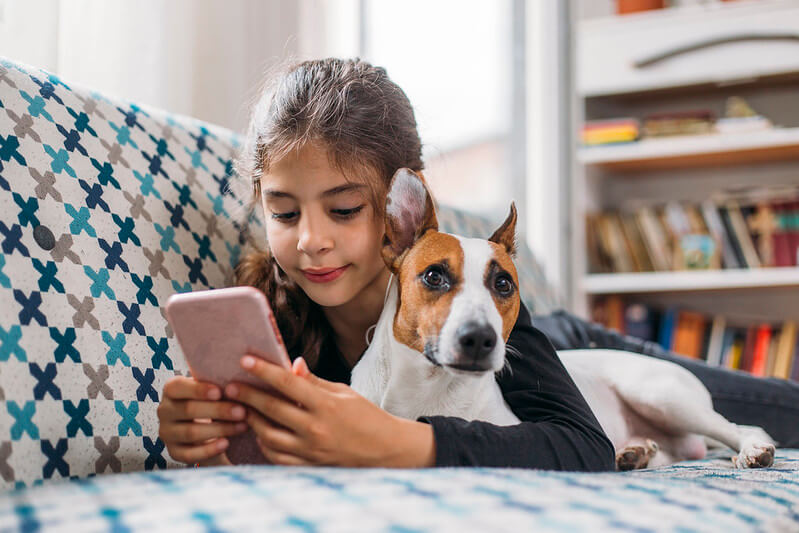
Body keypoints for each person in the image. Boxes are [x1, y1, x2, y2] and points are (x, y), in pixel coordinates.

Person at [156, 58, 799, 470]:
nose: (311, 242)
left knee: (783, 408)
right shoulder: (275, 329)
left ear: (402, 213)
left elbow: (579, 443)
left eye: (345, 209)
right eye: (285, 212)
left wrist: (400, 444)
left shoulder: (487, 308)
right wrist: (200, 435)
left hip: (554, 349)